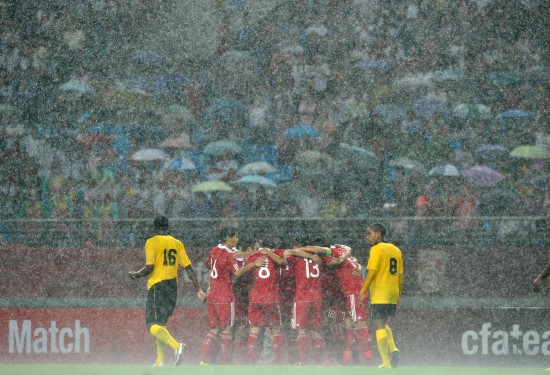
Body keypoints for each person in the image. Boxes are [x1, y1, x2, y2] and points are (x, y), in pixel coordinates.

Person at [129, 215, 206, 367]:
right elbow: (188, 268)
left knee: (152, 325)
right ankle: (160, 361)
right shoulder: (177, 243)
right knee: (161, 324)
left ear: (155, 228)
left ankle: (177, 346)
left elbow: (149, 267)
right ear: (168, 227)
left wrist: (135, 275)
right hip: (172, 287)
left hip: (158, 286)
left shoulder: (151, 242)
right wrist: (198, 289)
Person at [199, 227, 266, 365]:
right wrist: (254, 264)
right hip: (225, 296)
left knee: (215, 329)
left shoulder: (215, 250)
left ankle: (203, 361)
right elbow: (237, 273)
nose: (237, 239)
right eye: (235, 236)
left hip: (213, 296)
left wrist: (210, 286)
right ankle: (225, 364)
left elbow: (210, 267)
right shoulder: (229, 255)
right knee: (228, 330)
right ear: (228, 238)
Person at [360, 223, 403, 369]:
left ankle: (386, 363)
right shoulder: (396, 250)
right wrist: (398, 295)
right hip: (392, 292)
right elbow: (400, 275)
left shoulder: (376, 249)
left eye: (370, 234)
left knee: (378, 325)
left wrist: (363, 291)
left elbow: (372, 271)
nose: (368, 237)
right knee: (383, 323)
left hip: (380, 292)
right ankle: (394, 350)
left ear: (379, 234)